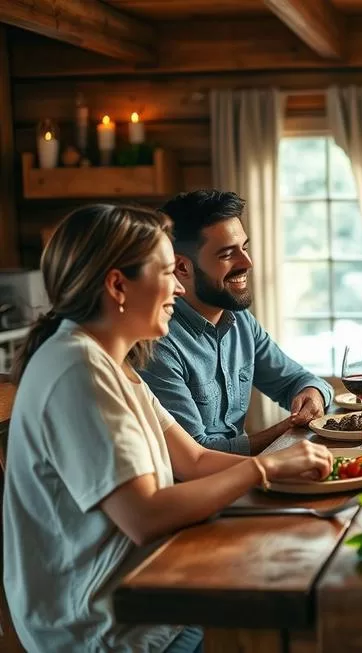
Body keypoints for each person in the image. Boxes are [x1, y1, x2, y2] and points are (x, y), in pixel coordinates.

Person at [2, 204, 334, 653]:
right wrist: (264, 470)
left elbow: (193, 459)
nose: (179, 285)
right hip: (104, 629)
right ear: (118, 285)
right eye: (165, 271)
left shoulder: (115, 363)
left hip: (155, 602)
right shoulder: (77, 370)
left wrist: (285, 463)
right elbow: (144, 516)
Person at [138, 190, 334, 455]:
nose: (248, 262)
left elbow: (297, 381)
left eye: (245, 248)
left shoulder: (240, 320)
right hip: (202, 489)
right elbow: (199, 455)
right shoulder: (158, 344)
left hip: (245, 476)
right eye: (227, 254)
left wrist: (313, 394)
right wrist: (286, 429)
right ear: (182, 268)